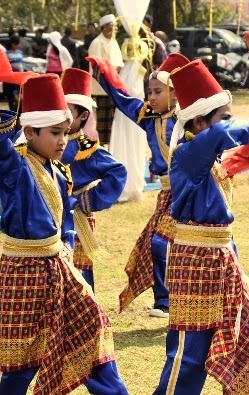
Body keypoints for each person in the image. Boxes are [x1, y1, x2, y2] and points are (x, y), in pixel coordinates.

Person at [0, 74, 129, 395]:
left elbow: (67, 216)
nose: (63, 140)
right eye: (55, 133)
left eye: (65, 132)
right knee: (20, 360)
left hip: (59, 264)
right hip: (24, 271)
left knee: (92, 329)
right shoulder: (16, 167)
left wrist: (68, 249)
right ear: (29, 132)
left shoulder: (56, 167)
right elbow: (1, 154)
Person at [153, 58, 249, 395]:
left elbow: (234, 145)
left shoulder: (207, 156)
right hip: (195, 262)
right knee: (189, 356)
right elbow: (222, 134)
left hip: (222, 259)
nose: (229, 123)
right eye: (224, 116)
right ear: (198, 122)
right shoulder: (188, 152)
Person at [88, 53, 190, 318]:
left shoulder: (189, 119)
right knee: (157, 244)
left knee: (169, 244)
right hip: (167, 194)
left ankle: (173, 300)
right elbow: (123, 99)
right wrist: (104, 71)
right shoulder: (148, 118)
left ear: (176, 93)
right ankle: (165, 301)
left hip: (192, 192)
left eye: (158, 91)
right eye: (150, 92)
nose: (152, 97)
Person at [60, 67, 127, 289]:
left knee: (80, 270)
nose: (61, 114)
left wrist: (89, 200)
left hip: (77, 215)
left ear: (83, 115)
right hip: (50, 215)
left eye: (67, 111)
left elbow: (118, 171)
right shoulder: (42, 143)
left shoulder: (86, 149)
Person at [87, 14, 124, 145]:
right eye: (111, 26)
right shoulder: (97, 43)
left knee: (112, 118)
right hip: (103, 86)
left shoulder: (114, 42)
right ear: (104, 27)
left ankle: (110, 143)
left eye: (114, 26)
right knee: (103, 119)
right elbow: (96, 66)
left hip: (114, 84)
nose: (114, 29)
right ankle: (101, 145)